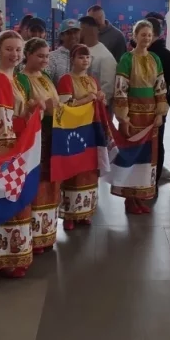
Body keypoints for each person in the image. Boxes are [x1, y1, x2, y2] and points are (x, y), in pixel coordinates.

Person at [0, 30, 37, 277]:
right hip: (8, 147)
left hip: (19, 144)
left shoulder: (14, 78)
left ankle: (16, 253)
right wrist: (10, 153)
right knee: (10, 197)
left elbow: (18, 113)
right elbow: (0, 121)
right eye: (9, 49)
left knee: (18, 199)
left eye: (18, 50)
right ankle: (7, 257)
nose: (14, 54)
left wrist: (30, 110)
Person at [112, 20, 168, 214]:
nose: (146, 38)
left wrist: (160, 112)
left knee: (146, 158)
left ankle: (140, 196)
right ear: (135, 37)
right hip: (133, 116)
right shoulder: (127, 59)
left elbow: (160, 87)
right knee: (131, 156)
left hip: (150, 115)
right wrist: (123, 117)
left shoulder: (155, 59)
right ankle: (129, 198)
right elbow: (120, 89)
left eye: (149, 35)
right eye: (143, 34)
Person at [19, 38, 61, 254]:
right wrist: (42, 109)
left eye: (46, 56)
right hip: (36, 136)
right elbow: (23, 109)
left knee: (50, 179)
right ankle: (34, 234)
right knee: (36, 180)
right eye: (39, 55)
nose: (44, 60)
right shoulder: (22, 79)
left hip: (51, 134)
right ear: (28, 55)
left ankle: (47, 232)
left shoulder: (45, 78)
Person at [57, 45, 105, 230]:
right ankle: (70, 214)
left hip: (91, 129)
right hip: (73, 131)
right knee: (74, 170)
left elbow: (99, 102)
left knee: (89, 171)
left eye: (87, 57)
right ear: (72, 59)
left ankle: (85, 211)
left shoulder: (92, 79)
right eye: (80, 57)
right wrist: (88, 99)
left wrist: (100, 98)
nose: (85, 61)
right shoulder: (66, 80)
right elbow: (64, 106)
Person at [145, 15, 170, 189]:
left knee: (155, 141)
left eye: (147, 34)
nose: (145, 37)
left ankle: (152, 179)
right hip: (146, 105)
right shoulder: (137, 55)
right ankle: (149, 181)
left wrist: (166, 102)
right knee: (152, 141)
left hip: (156, 105)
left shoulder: (161, 55)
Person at [79, 15, 117, 106]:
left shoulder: (105, 57)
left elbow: (108, 88)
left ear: (88, 29)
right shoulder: (81, 50)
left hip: (97, 109)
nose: (77, 33)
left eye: (79, 29)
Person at [46, 18, 81, 84]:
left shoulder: (85, 55)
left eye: (75, 32)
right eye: (69, 33)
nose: (73, 36)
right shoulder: (52, 57)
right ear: (61, 36)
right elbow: (46, 84)